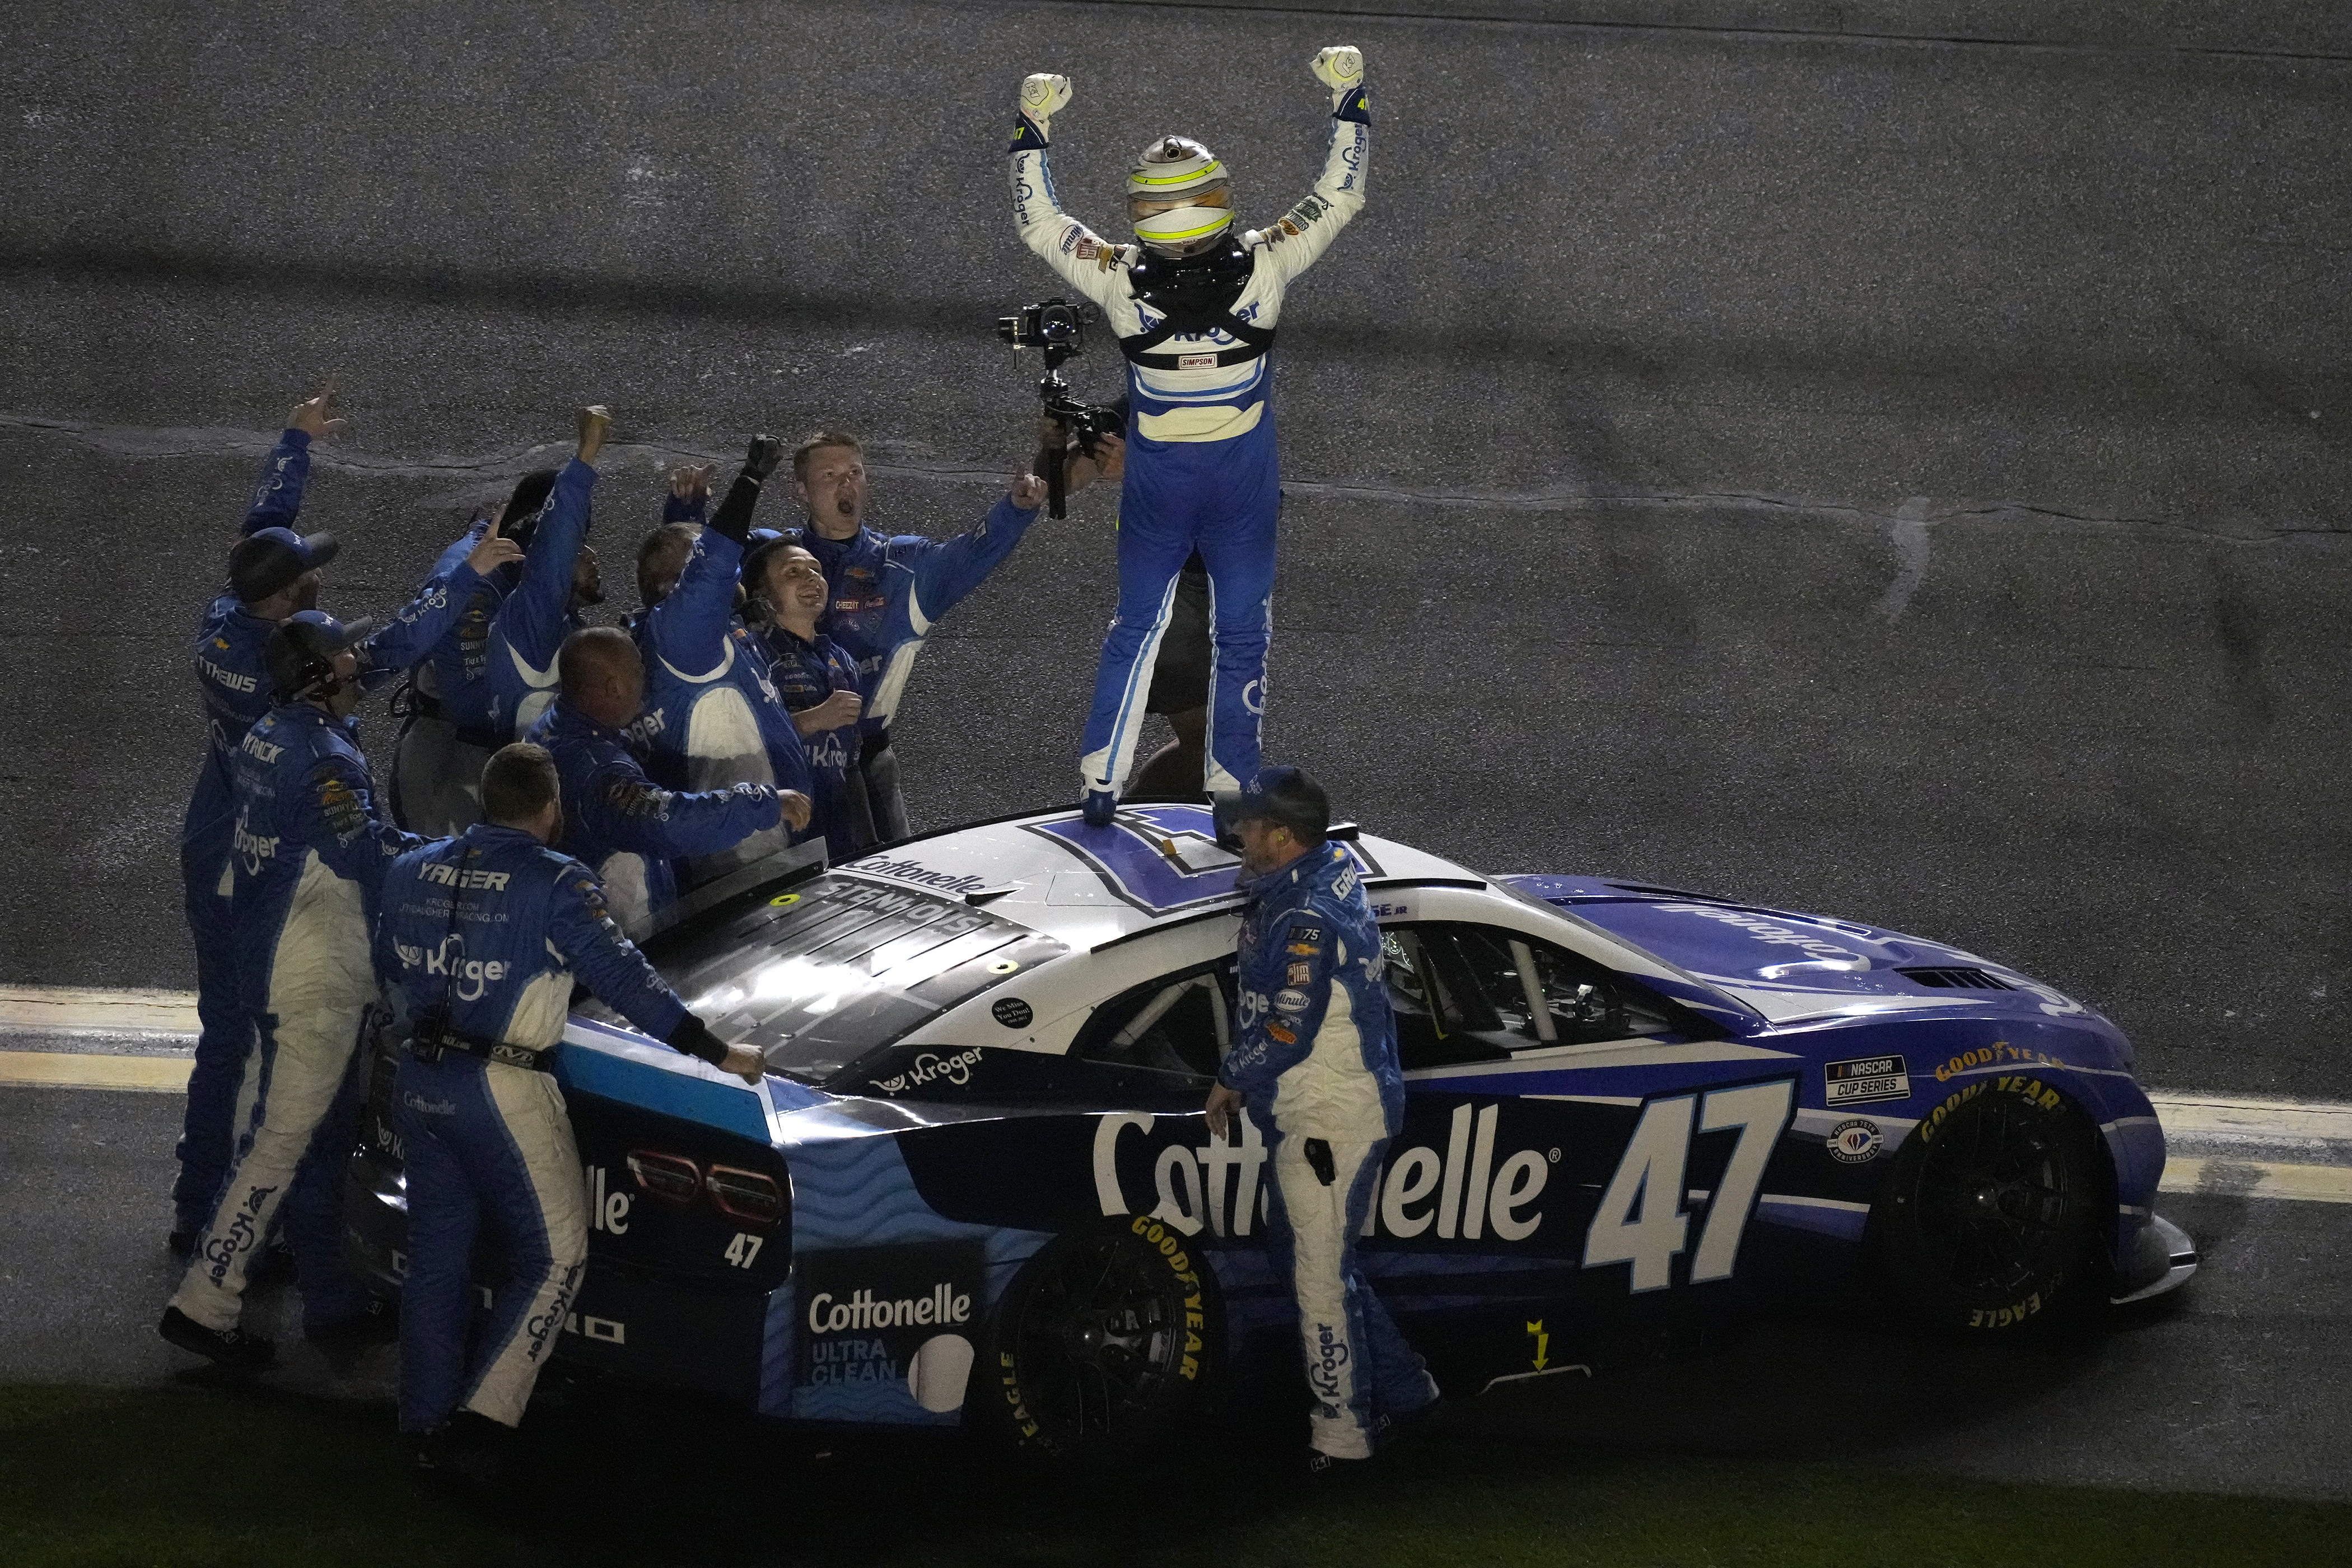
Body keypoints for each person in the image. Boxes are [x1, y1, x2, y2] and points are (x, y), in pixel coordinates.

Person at [175, 387, 520, 1252]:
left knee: (224, 1042)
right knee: (283, 1056)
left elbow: (261, 530)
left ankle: (196, 1214)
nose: (319, 572)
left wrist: (293, 441)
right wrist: (467, 567)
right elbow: (403, 640)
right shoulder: (302, 696)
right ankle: (259, 1237)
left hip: (217, 836)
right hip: (272, 882)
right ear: (295, 617)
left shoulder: (229, 619)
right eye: (308, 577)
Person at [376, 743, 767, 1471]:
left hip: (419, 1081)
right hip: (503, 1088)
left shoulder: (409, 870)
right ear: (551, 809)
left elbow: (389, 967)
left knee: (437, 1263)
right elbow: (626, 982)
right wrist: (719, 1052)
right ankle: (483, 1423)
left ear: (486, 803)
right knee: (556, 1258)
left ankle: (421, 1424)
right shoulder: (557, 882)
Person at [1009, 48, 1371, 823]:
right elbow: (1340, 196)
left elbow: (1037, 220)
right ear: (1218, 200)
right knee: (1243, 639)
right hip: (1241, 497)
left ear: (1141, 210)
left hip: (1157, 492)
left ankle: (1100, 783)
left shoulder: (1113, 274)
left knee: (1133, 630)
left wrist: (1032, 123)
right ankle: (1231, 784)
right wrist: (1349, 99)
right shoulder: (1268, 261)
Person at [160, 613, 428, 1369]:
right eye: (343, 651)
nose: (355, 661)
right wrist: (453, 859)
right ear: (315, 674)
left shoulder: (269, 735)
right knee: (280, 1144)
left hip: (281, 960)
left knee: (318, 1144)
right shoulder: (325, 763)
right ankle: (205, 1304)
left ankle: (330, 1298)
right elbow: (367, 854)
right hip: (313, 976)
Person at [1202, 766, 1437, 1470]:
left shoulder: (1304, 916)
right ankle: (1409, 1391)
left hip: (1330, 1118)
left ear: (1282, 836)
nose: (1235, 834)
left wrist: (1229, 1079)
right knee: (1309, 1258)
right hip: (1328, 1105)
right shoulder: (1326, 871)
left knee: (1317, 1278)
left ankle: (1344, 1435)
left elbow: (1288, 1030)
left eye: (1247, 825)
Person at [781, 433, 1049, 841]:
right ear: (801, 491)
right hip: (791, 757)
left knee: (893, 876)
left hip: (870, 757)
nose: (846, 484)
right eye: (830, 475)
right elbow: (702, 575)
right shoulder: (776, 559)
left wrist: (1015, 510)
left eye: (855, 472)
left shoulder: (903, 565)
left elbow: (968, 556)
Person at [393, 406, 613, 836]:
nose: (581, 553)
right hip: (455, 756)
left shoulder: (509, 555)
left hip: (488, 751)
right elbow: (474, 702)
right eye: (572, 544)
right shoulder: (474, 586)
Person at [529, 627, 809, 936]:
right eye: (638, 671)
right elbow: (665, 823)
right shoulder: (595, 770)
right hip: (630, 948)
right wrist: (760, 803)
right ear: (613, 689)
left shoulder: (553, 726)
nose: (645, 681)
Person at [636, 436, 815, 883]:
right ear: (670, 588)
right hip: (741, 862)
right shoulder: (680, 640)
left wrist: (689, 514)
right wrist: (750, 480)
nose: (734, 572)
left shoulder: (706, 634)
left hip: (766, 839)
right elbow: (710, 564)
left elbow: (703, 562)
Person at [745, 540, 868, 861]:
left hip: (838, 834)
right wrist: (814, 719)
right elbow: (741, 745)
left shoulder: (842, 659)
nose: (812, 578)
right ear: (764, 593)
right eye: (794, 572)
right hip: (779, 838)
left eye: (816, 570)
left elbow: (851, 765)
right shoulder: (752, 654)